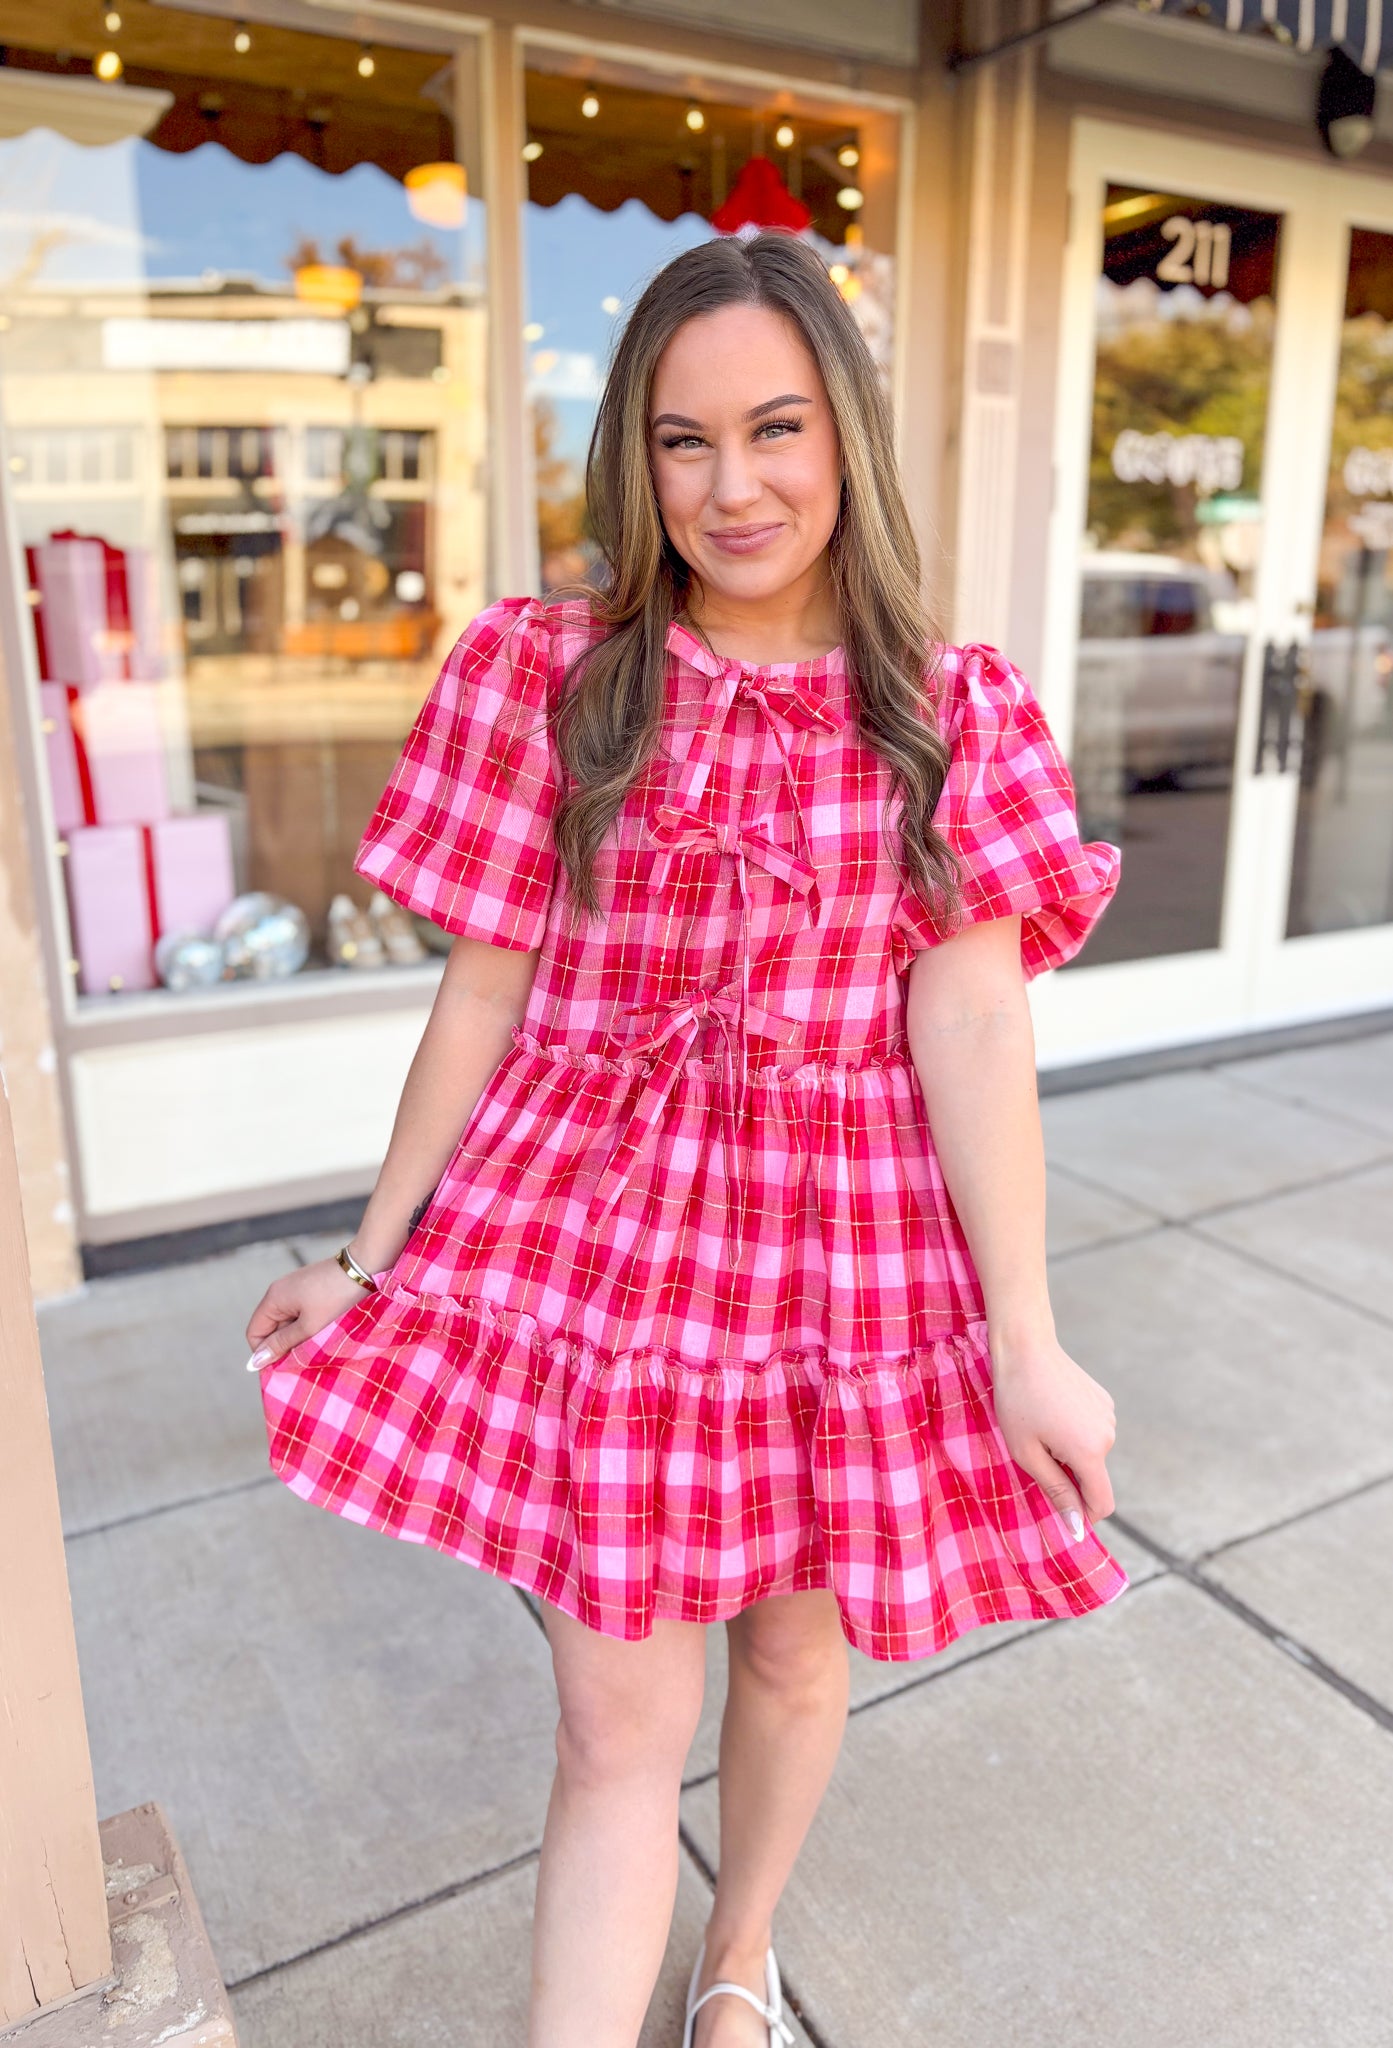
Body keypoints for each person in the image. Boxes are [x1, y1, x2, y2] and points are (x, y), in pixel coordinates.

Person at [245, 230, 1128, 2048]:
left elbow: (968, 1019)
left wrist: (1027, 1339)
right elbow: (481, 995)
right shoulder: (552, 673)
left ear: (846, 440)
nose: (733, 487)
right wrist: (373, 1253)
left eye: (776, 429)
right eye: (681, 439)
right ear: (631, 459)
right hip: (598, 1248)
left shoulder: (945, 712)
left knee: (797, 1652)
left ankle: (740, 1959)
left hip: (841, 1251)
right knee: (611, 1730)